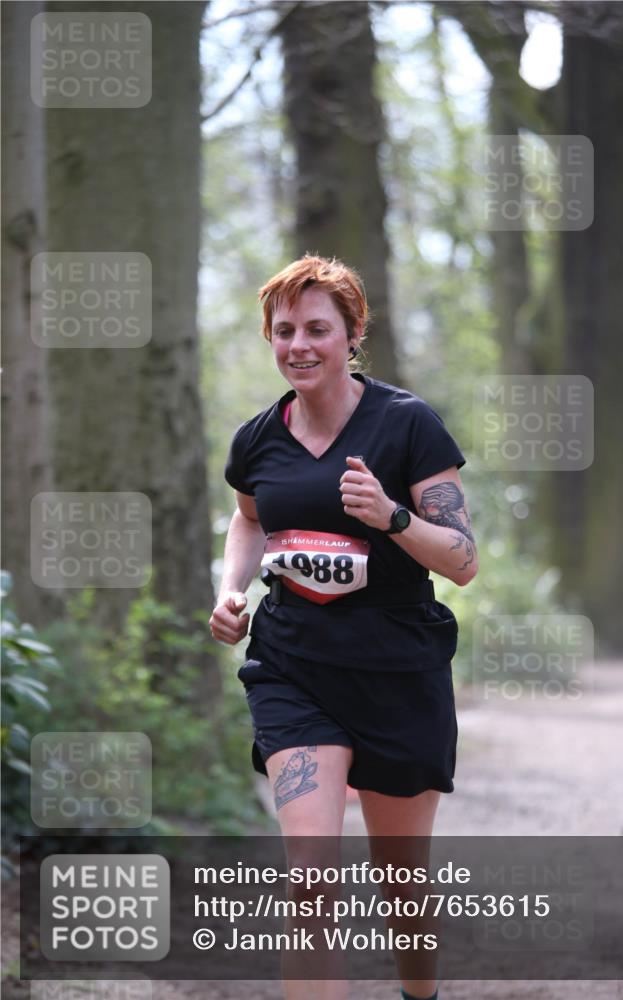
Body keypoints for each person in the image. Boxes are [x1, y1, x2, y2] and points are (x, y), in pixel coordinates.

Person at [209, 255, 478, 1000]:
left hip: (397, 670)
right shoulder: (257, 439)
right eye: (283, 329)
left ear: (352, 334)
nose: (298, 344)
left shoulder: (406, 424)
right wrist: (231, 591)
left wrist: (391, 518)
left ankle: (417, 995)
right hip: (294, 668)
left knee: (401, 880)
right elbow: (248, 519)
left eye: (317, 329)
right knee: (311, 881)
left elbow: (462, 560)